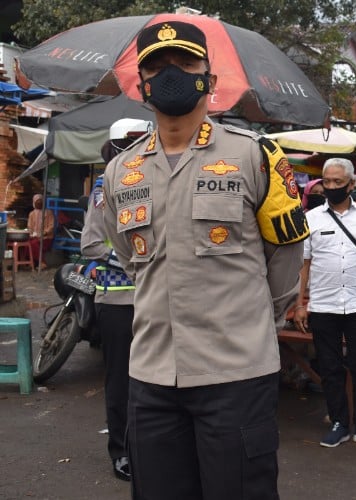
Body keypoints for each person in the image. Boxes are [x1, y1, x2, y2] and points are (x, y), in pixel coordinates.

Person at [101, 21, 306, 500]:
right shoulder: (120, 171)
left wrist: (255, 321)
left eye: (186, 64)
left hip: (235, 374)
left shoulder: (256, 158)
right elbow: (131, 258)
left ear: (209, 80)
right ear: (142, 84)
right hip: (152, 376)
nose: (171, 74)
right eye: (156, 66)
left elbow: (284, 257)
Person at [294, 157, 356, 449]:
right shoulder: (311, 218)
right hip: (323, 305)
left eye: (337, 182)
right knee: (330, 367)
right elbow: (304, 264)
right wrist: (300, 303)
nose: (331, 186)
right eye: (327, 181)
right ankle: (338, 422)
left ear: (351, 184)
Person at [81, 119, 150, 482]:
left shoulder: (156, 183)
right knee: (122, 380)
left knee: (156, 380)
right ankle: (122, 452)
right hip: (119, 300)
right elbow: (91, 244)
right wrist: (132, 257)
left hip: (155, 299)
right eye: (132, 142)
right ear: (116, 146)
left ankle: (152, 448)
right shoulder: (104, 189)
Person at [27, 193, 54, 269]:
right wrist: (31, 233)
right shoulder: (31, 214)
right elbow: (29, 226)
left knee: (34, 243)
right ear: (34, 202)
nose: (39, 203)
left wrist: (44, 233)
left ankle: (42, 263)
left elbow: (51, 226)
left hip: (46, 238)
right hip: (35, 236)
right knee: (27, 243)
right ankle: (31, 262)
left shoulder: (49, 213)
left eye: (40, 201)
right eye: (37, 202)